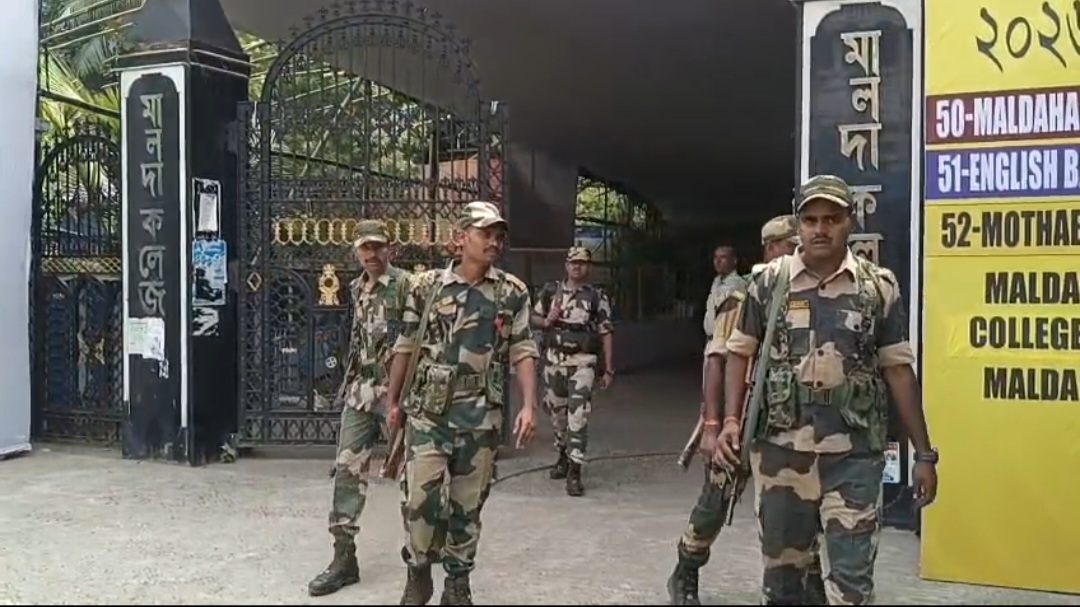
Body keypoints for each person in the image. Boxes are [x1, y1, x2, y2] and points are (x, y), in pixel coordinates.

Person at [718, 175, 939, 605]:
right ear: (798, 225)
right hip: (781, 456)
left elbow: (899, 371)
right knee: (784, 583)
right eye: (811, 220)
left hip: (853, 459)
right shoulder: (769, 282)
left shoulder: (877, 286)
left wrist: (924, 455)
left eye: (832, 219)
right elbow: (738, 353)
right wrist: (728, 421)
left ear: (849, 222)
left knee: (852, 587)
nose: (820, 229)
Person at [386, 200, 540, 606]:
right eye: (485, 233)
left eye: (499, 235)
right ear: (461, 238)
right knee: (420, 502)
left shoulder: (511, 292)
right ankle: (419, 569)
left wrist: (529, 405)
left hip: (481, 416)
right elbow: (405, 345)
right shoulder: (425, 287)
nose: (494, 242)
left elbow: (523, 348)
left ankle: (457, 583)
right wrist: (393, 401)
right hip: (429, 412)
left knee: (467, 506)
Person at [667, 214, 823, 606]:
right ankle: (686, 569)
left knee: (802, 506)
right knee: (716, 502)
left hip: (790, 426)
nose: (800, 251)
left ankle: (809, 580)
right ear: (771, 248)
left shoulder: (813, 291)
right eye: (792, 245)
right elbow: (716, 360)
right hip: (744, 421)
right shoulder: (746, 296)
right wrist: (714, 424)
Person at [308, 220, 412, 597]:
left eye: (378, 247)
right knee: (347, 470)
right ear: (356, 251)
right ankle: (343, 558)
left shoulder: (406, 285)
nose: (372, 254)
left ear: (390, 248)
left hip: (397, 392)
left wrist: (403, 393)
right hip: (360, 391)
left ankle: (419, 553)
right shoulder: (356, 287)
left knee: (413, 474)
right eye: (365, 248)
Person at [531, 246, 615, 496]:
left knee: (578, 416)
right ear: (566, 265)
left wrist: (609, 368)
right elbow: (533, 318)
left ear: (588, 267)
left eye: (582, 263)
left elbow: (606, 331)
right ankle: (563, 455)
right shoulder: (550, 292)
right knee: (557, 414)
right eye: (573, 262)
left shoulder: (596, 296)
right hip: (554, 362)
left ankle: (575, 471)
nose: (577, 266)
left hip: (582, 363)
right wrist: (547, 320)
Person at [702, 244, 745, 339]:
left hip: (727, 339)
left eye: (723, 257)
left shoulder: (739, 285)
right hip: (712, 339)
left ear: (734, 261)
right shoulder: (716, 282)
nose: (718, 261)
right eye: (715, 257)